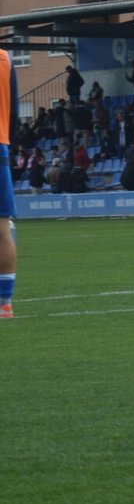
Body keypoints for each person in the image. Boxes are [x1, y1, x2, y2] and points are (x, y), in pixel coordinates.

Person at [0, 47, 16, 318]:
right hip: (0, 144)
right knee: (2, 229)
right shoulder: (5, 58)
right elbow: (13, 106)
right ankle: (5, 303)